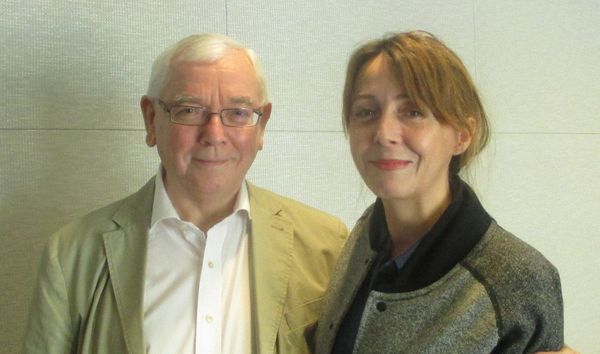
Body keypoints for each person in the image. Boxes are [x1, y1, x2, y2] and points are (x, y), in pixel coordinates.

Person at [22, 34, 348, 354]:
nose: (215, 135)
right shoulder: (72, 256)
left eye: (238, 113)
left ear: (261, 126)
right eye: (190, 110)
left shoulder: (327, 246)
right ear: (152, 120)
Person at [315, 31, 565, 353]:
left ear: (462, 135)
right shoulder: (364, 236)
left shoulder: (517, 278)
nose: (384, 133)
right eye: (367, 111)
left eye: (413, 111)